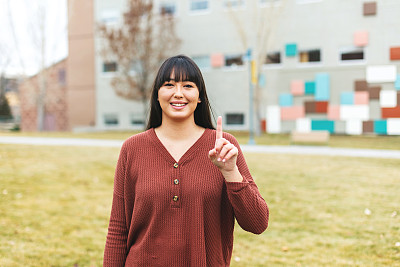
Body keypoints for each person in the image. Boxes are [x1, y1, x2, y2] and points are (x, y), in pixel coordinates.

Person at [103, 55, 269, 266]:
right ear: (157, 94)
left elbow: (258, 223)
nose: (178, 93)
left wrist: (230, 173)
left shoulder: (224, 146)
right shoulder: (132, 148)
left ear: (199, 96)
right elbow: (118, 229)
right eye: (169, 85)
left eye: (188, 85)